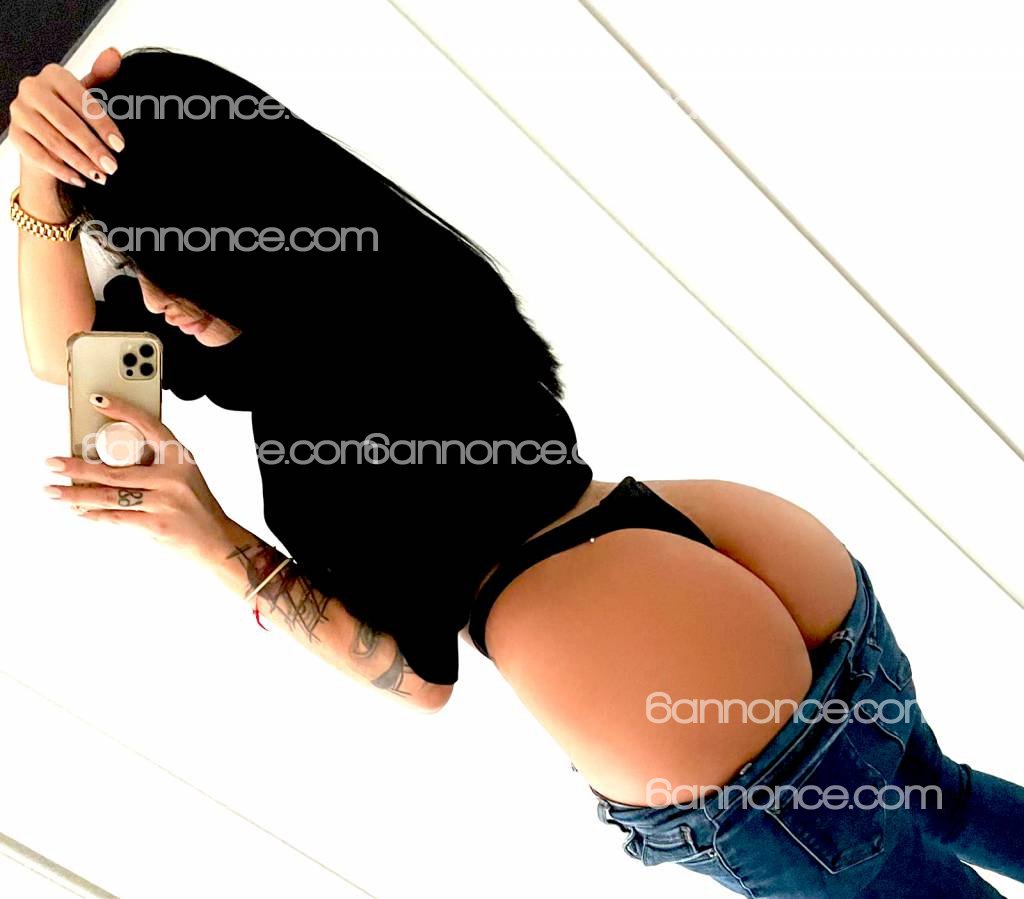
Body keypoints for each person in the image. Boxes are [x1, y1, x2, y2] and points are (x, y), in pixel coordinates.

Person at [12, 48, 1023, 897]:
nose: (151, 293)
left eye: (162, 261)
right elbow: (77, 359)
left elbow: (418, 678)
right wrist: (40, 180)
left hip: (672, 679)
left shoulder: (325, 408)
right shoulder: (376, 266)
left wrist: (213, 536)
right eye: (125, 255)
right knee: (938, 796)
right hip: (767, 561)